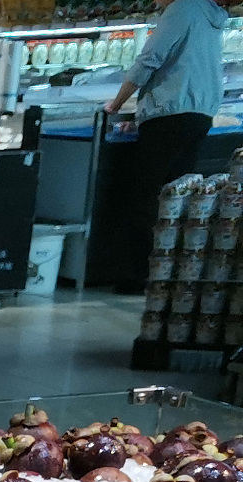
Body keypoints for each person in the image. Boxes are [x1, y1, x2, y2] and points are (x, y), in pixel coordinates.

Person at [107, 0, 227, 292]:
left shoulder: (182, 8)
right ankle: (171, 272)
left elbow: (150, 59)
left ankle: (139, 275)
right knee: (176, 196)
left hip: (170, 118)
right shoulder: (210, 14)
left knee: (144, 195)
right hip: (199, 115)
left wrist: (116, 105)